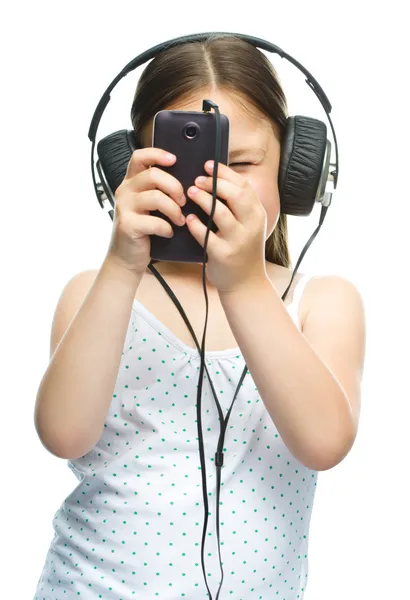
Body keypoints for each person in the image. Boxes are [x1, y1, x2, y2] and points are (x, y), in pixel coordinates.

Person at [33, 35, 366, 600]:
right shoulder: (96, 292)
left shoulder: (321, 302)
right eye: (183, 164)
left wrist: (244, 284)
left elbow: (324, 442)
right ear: (127, 173)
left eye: (241, 162)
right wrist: (120, 261)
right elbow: (64, 435)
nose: (216, 184)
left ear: (294, 171)